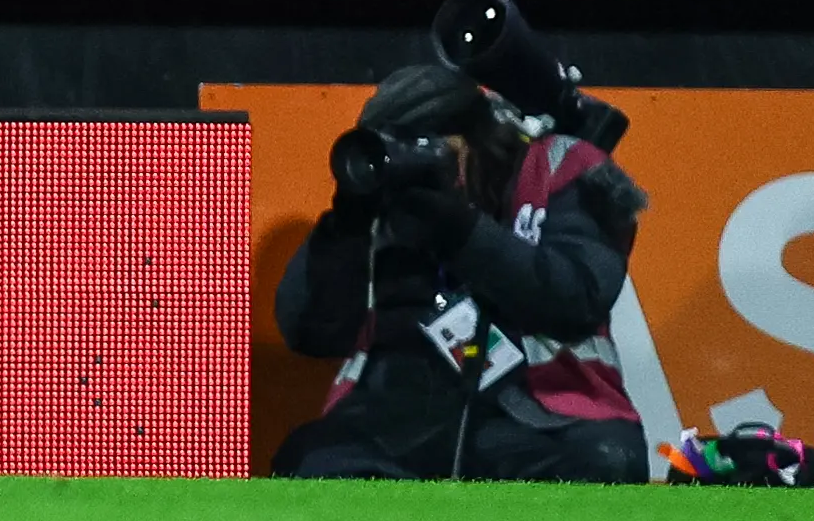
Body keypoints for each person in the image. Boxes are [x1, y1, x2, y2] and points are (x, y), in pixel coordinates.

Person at [269, 62, 647, 481]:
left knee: (607, 459)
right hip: (394, 419)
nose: (415, 164)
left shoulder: (559, 163)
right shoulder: (381, 199)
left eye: (430, 146)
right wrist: (347, 223)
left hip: (542, 414)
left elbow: (580, 295)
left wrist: (461, 229)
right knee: (310, 462)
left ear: (475, 139)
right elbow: (310, 332)